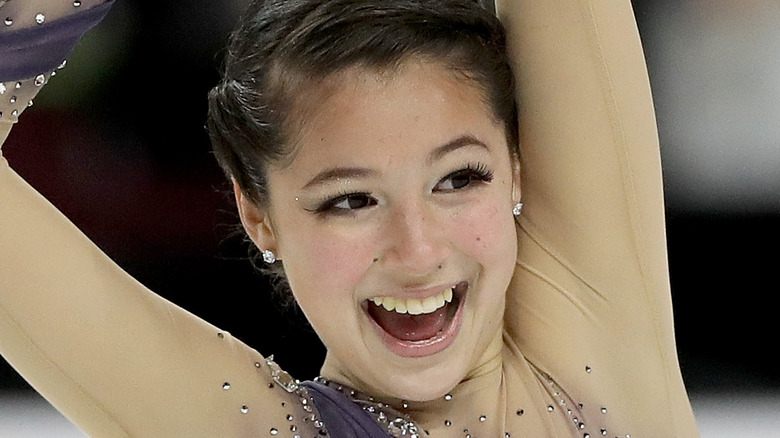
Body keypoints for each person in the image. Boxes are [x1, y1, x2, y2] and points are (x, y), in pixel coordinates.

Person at [0, 0, 701, 436]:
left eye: (459, 179)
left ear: (517, 171)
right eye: (351, 200)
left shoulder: (592, 348)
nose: (418, 248)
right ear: (259, 215)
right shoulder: (246, 427)